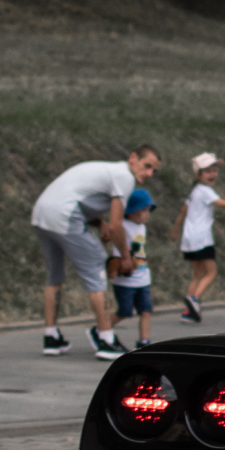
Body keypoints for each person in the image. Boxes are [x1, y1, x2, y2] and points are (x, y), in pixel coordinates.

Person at [31, 147, 162, 358]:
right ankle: (106, 338)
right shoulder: (124, 176)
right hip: (65, 215)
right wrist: (126, 257)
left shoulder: (106, 169)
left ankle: (51, 337)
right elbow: (117, 225)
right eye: (147, 166)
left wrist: (98, 221)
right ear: (133, 158)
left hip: (41, 214)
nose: (149, 174)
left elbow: (77, 198)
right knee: (99, 268)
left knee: (55, 276)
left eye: (154, 171)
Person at [177, 153, 225, 322]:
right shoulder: (205, 191)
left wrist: (175, 229)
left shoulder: (193, 191)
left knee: (198, 275)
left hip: (189, 239)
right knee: (211, 273)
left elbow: (183, 211)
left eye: (214, 171)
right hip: (201, 238)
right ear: (198, 175)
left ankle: (188, 312)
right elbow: (224, 205)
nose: (213, 174)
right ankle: (194, 299)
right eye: (208, 172)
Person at [109, 189, 157, 347]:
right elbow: (118, 251)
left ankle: (144, 341)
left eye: (148, 209)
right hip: (125, 281)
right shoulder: (122, 227)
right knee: (124, 311)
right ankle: (101, 330)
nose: (147, 213)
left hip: (143, 278)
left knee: (146, 310)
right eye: (143, 209)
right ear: (131, 211)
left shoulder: (142, 227)